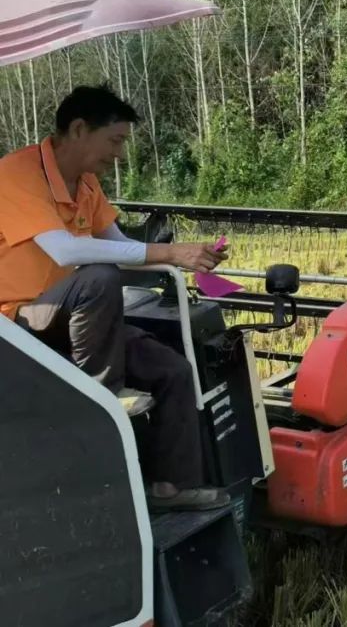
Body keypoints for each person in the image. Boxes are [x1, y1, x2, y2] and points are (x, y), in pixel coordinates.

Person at [0, 84, 231, 512]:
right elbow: (67, 251)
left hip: (71, 319)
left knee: (172, 370)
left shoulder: (86, 184)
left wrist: (189, 256)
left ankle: (169, 488)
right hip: (16, 327)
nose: (120, 153)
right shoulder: (16, 175)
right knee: (99, 278)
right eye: (116, 140)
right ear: (78, 129)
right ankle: (102, 399)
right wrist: (166, 251)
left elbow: (120, 245)